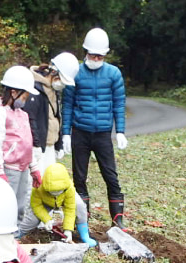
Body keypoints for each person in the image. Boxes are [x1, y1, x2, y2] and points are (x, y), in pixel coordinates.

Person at [61, 27, 128, 229]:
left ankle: (117, 220)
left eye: (100, 55)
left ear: (105, 55)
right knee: (79, 178)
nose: (96, 58)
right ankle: (82, 220)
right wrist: (65, 133)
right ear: (86, 52)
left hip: (102, 134)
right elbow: (68, 104)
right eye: (93, 55)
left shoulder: (113, 74)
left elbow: (119, 103)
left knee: (111, 176)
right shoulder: (76, 73)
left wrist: (120, 131)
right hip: (80, 132)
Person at [0, 65, 44, 226]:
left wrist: (34, 168)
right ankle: (1, 232)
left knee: (20, 206)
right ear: (13, 92)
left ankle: (15, 234)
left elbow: (27, 143)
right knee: (6, 206)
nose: (26, 100)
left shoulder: (22, 114)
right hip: (9, 168)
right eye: (25, 96)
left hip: (23, 167)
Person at [23, 52, 80, 174]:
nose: (62, 84)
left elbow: (56, 116)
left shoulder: (53, 90)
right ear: (54, 72)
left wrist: (59, 144)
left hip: (50, 145)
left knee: (49, 180)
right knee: (36, 181)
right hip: (37, 147)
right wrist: (36, 145)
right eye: (61, 80)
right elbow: (30, 119)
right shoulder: (34, 88)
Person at [17, 162, 97, 247]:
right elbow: (36, 206)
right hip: (45, 202)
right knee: (32, 219)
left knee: (80, 207)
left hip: (64, 199)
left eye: (59, 191)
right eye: (53, 192)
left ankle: (85, 235)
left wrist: (68, 229)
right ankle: (16, 235)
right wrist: (47, 220)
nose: (56, 194)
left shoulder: (69, 188)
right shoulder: (38, 187)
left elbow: (70, 209)